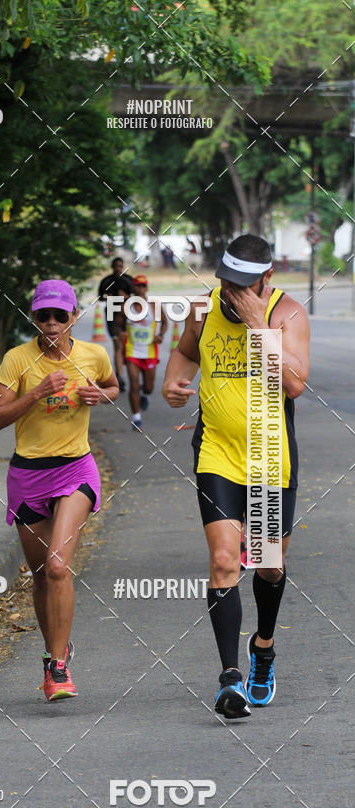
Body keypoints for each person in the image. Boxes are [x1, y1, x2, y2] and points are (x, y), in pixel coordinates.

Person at [162, 234, 310, 719]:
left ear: (268, 278)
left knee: (268, 567)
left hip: (269, 456)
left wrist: (256, 325)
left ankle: (263, 647)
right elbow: (185, 352)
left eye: (245, 285)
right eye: (228, 283)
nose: (233, 293)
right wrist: (173, 381)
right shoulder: (202, 310)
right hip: (217, 453)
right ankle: (230, 678)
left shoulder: (287, 315)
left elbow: (295, 384)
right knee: (225, 560)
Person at [0, 279, 119, 701]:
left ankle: (59, 668)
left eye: (59, 316)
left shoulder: (93, 354)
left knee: (58, 566)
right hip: (28, 475)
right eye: (43, 315)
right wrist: (38, 392)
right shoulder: (17, 360)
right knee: (42, 575)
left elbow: (113, 386)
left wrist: (100, 394)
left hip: (75, 470)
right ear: (33, 317)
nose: (51, 323)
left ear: (73, 317)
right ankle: (52, 653)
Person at [122, 274, 167, 431]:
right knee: (133, 384)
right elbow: (117, 324)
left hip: (149, 351)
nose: (140, 288)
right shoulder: (125, 306)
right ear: (133, 287)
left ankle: (145, 395)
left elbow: (165, 322)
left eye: (143, 286)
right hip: (132, 351)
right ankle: (136, 418)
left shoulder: (153, 305)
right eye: (138, 285)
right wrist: (120, 334)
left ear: (146, 288)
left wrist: (160, 335)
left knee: (148, 387)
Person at [98, 257, 133, 391]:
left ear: (123, 266)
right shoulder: (106, 281)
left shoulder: (129, 280)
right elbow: (100, 297)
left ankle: (131, 375)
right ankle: (120, 376)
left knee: (127, 345)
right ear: (112, 267)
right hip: (112, 314)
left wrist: (127, 298)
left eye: (120, 265)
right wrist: (109, 297)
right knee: (117, 344)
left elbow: (138, 297)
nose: (118, 268)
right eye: (116, 266)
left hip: (127, 314)